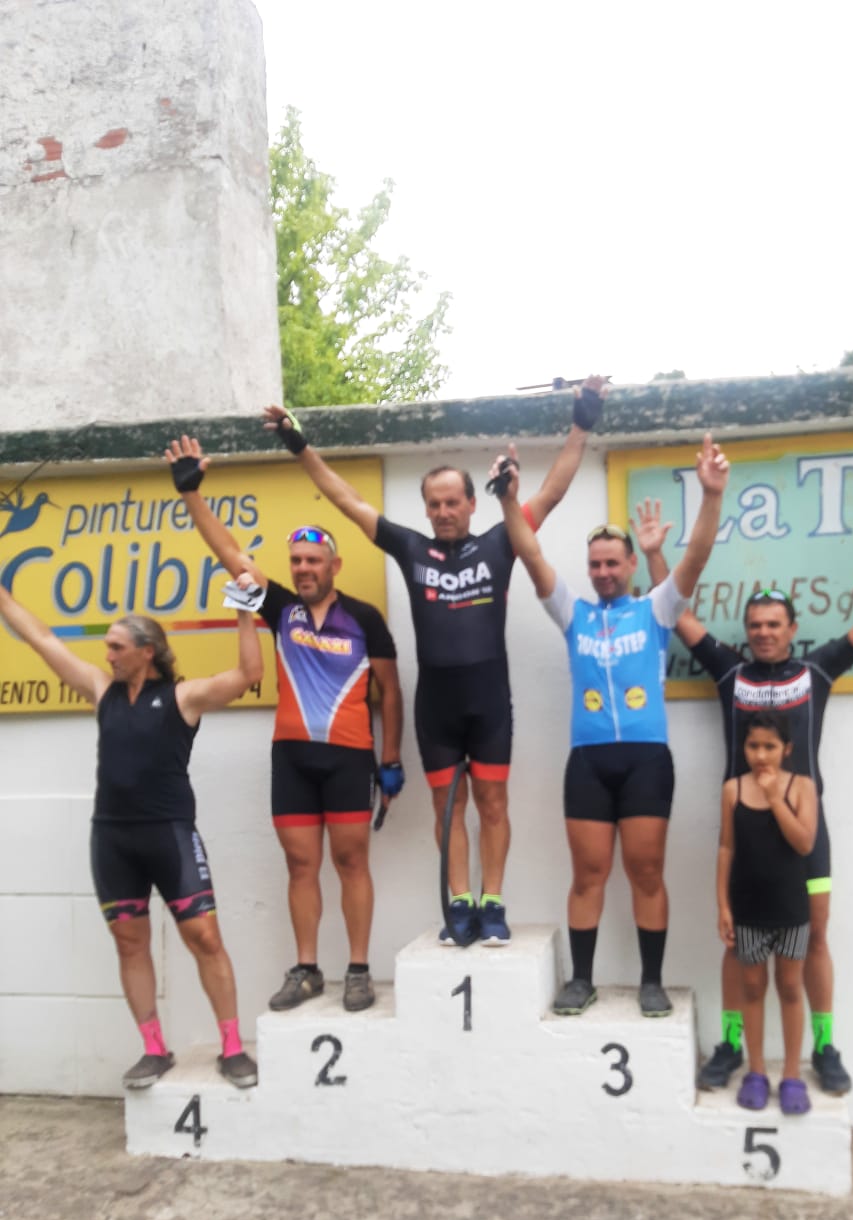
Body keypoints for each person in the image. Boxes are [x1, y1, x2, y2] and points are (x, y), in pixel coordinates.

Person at [261, 378, 607, 948]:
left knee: (492, 803)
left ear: (472, 503)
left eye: (453, 502)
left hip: (488, 701)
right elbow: (346, 501)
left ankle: (493, 902)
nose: (444, 512)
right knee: (448, 807)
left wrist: (582, 424)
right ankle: (460, 901)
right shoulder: (411, 548)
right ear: (425, 509)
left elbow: (552, 491)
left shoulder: (501, 541)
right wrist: (300, 446)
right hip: (436, 706)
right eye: (435, 504)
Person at [639, 505, 853, 1092]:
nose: (764, 632)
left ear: (792, 629)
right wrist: (653, 555)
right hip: (743, 835)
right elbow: (679, 614)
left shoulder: (817, 672)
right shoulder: (729, 672)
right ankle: (730, 1043)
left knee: (816, 937)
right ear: (747, 630)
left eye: (775, 624)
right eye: (756, 624)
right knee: (736, 942)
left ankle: (823, 1047)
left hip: (806, 836)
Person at [166, 436, 404, 1013]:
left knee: (352, 862)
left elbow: (391, 691)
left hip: (349, 756)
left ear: (333, 566)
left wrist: (391, 759)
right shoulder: (281, 609)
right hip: (292, 757)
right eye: (296, 561)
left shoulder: (364, 618)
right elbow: (228, 551)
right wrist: (191, 492)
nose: (302, 569)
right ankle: (307, 969)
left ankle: (358, 969)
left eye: (312, 561)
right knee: (301, 865)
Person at [496, 436, 729, 1016]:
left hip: (647, 759)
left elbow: (697, 558)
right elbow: (529, 554)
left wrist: (711, 496)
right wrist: (508, 501)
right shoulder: (572, 612)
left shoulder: (656, 609)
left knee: (646, 872)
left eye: (611, 563)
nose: (602, 572)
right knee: (588, 874)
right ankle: (582, 979)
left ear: (630, 566)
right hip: (589, 762)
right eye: (594, 564)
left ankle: (651, 981)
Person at [0, 581, 262, 1089]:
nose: (108, 655)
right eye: (107, 647)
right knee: (128, 943)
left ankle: (232, 1048)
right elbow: (43, 640)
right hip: (113, 839)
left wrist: (244, 613)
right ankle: (154, 1049)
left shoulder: (183, 697)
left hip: (169, 834)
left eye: (117, 646)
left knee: (205, 938)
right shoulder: (103, 692)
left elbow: (249, 675)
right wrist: (5, 600)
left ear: (147, 651)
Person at [718, 711, 818, 1115]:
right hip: (748, 910)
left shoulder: (801, 787)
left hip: (791, 910)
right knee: (752, 988)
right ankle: (756, 1071)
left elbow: (804, 843)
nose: (760, 755)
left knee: (791, 987)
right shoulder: (733, 790)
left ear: (786, 749)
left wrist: (776, 797)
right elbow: (726, 848)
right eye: (753, 746)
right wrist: (723, 905)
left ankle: (792, 1075)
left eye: (770, 747)